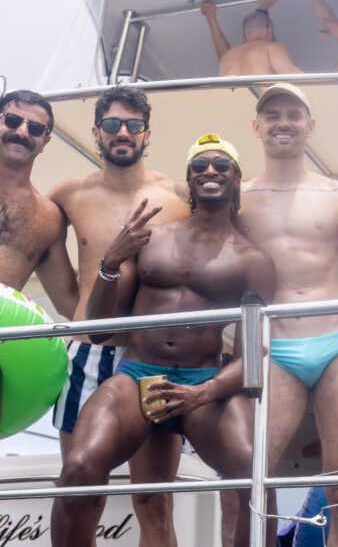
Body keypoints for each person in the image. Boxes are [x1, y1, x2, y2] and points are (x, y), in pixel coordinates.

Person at [51, 133, 276, 547]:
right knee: (79, 469)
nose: (210, 171)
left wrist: (204, 393)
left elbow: (255, 356)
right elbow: (100, 329)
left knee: (256, 474)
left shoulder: (253, 260)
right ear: (188, 183)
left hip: (204, 382)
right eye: (199, 166)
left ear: (236, 179)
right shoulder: (152, 239)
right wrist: (110, 263)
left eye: (221, 165)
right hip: (137, 375)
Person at [236, 82, 338, 546]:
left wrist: (333, 298)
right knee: (252, 469)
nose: (283, 123)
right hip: (273, 346)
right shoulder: (237, 197)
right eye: (273, 114)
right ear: (256, 126)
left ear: (309, 126)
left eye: (293, 115)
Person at [49, 86, 190, 546]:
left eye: (133, 125)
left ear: (147, 134)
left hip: (151, 358)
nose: (122, 132)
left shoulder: (178, 195)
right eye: (112, 124)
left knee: (154, 501)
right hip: (88, 355)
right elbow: (43, 257)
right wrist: (78, 314)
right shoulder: (69, 194)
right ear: (97, 132)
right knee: (80, 491)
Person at [0, 89, 78, 314]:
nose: (22, 132)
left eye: (35, 128)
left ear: (46, 141)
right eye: (13, 121)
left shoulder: (48, 218)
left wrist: (110, 267)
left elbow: (70, 305)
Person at [200, 0, 302, 76]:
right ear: (269, 29)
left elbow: (225, 54)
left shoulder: (227, 58)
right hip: (263, 100)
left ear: (244, 36)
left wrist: (211, 17)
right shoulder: (272, 48)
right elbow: (294, 77)